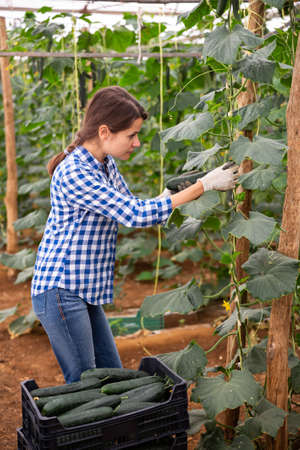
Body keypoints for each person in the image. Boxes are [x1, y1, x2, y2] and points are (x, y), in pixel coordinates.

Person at [31, 86, 239, 383]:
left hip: (82, 289)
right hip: (61, 290)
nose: (137, 143)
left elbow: (135, 208)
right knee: (85, 385)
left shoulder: (106, 164)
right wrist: (204, 186)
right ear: (105, 132)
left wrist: (169, 193)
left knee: (113, 377)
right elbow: (137, 214)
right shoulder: (75, 171)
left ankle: (113, 430)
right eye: (131, 135)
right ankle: (86, 431)